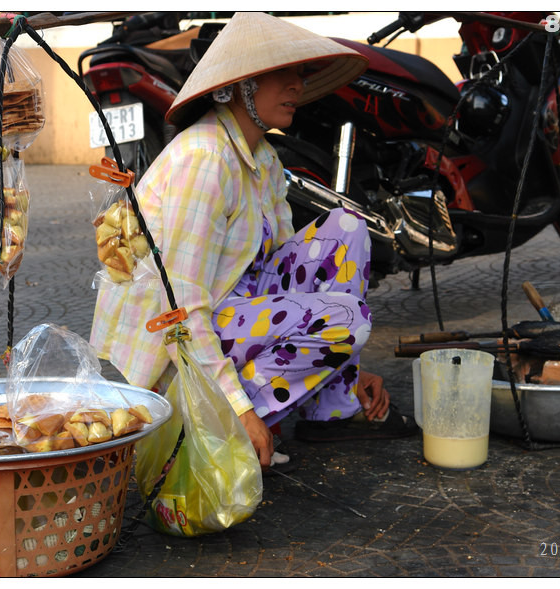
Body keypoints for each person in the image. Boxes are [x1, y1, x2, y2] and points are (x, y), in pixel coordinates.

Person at [90, 12, 417, 472]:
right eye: (282, 73)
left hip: (231, 311)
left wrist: (346, 367)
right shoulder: (205, 159)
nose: (297, 85)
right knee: (348, 319)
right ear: (240, 86)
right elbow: (179, 307)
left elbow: (281, 269)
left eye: (300, 73)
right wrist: (239, 408)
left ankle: (334, 406)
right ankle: (209, 430)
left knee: (348, 228)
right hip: (173, 345)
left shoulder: (262, 158)